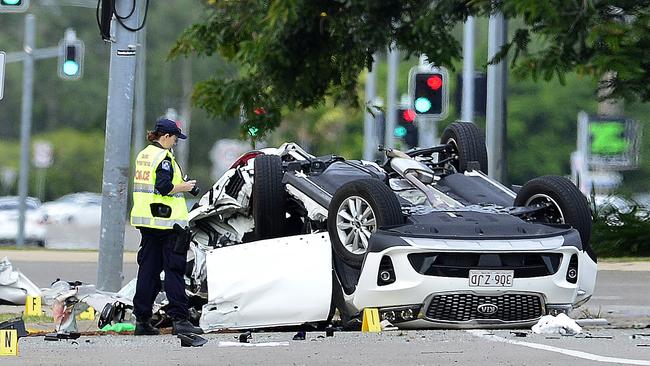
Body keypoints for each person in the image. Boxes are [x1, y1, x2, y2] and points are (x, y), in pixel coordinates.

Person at [130, 118, 203, 336]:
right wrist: (185, 186)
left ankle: (142, 321)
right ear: (166, 137)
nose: (175, 143)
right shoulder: (163, 157)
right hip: (168, 224)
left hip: (147, 223)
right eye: (174, 139)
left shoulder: (144, 154)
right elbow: (163, 187)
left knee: (148, 272)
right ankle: (180, 320)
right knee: (174, 271)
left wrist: (181, 184)